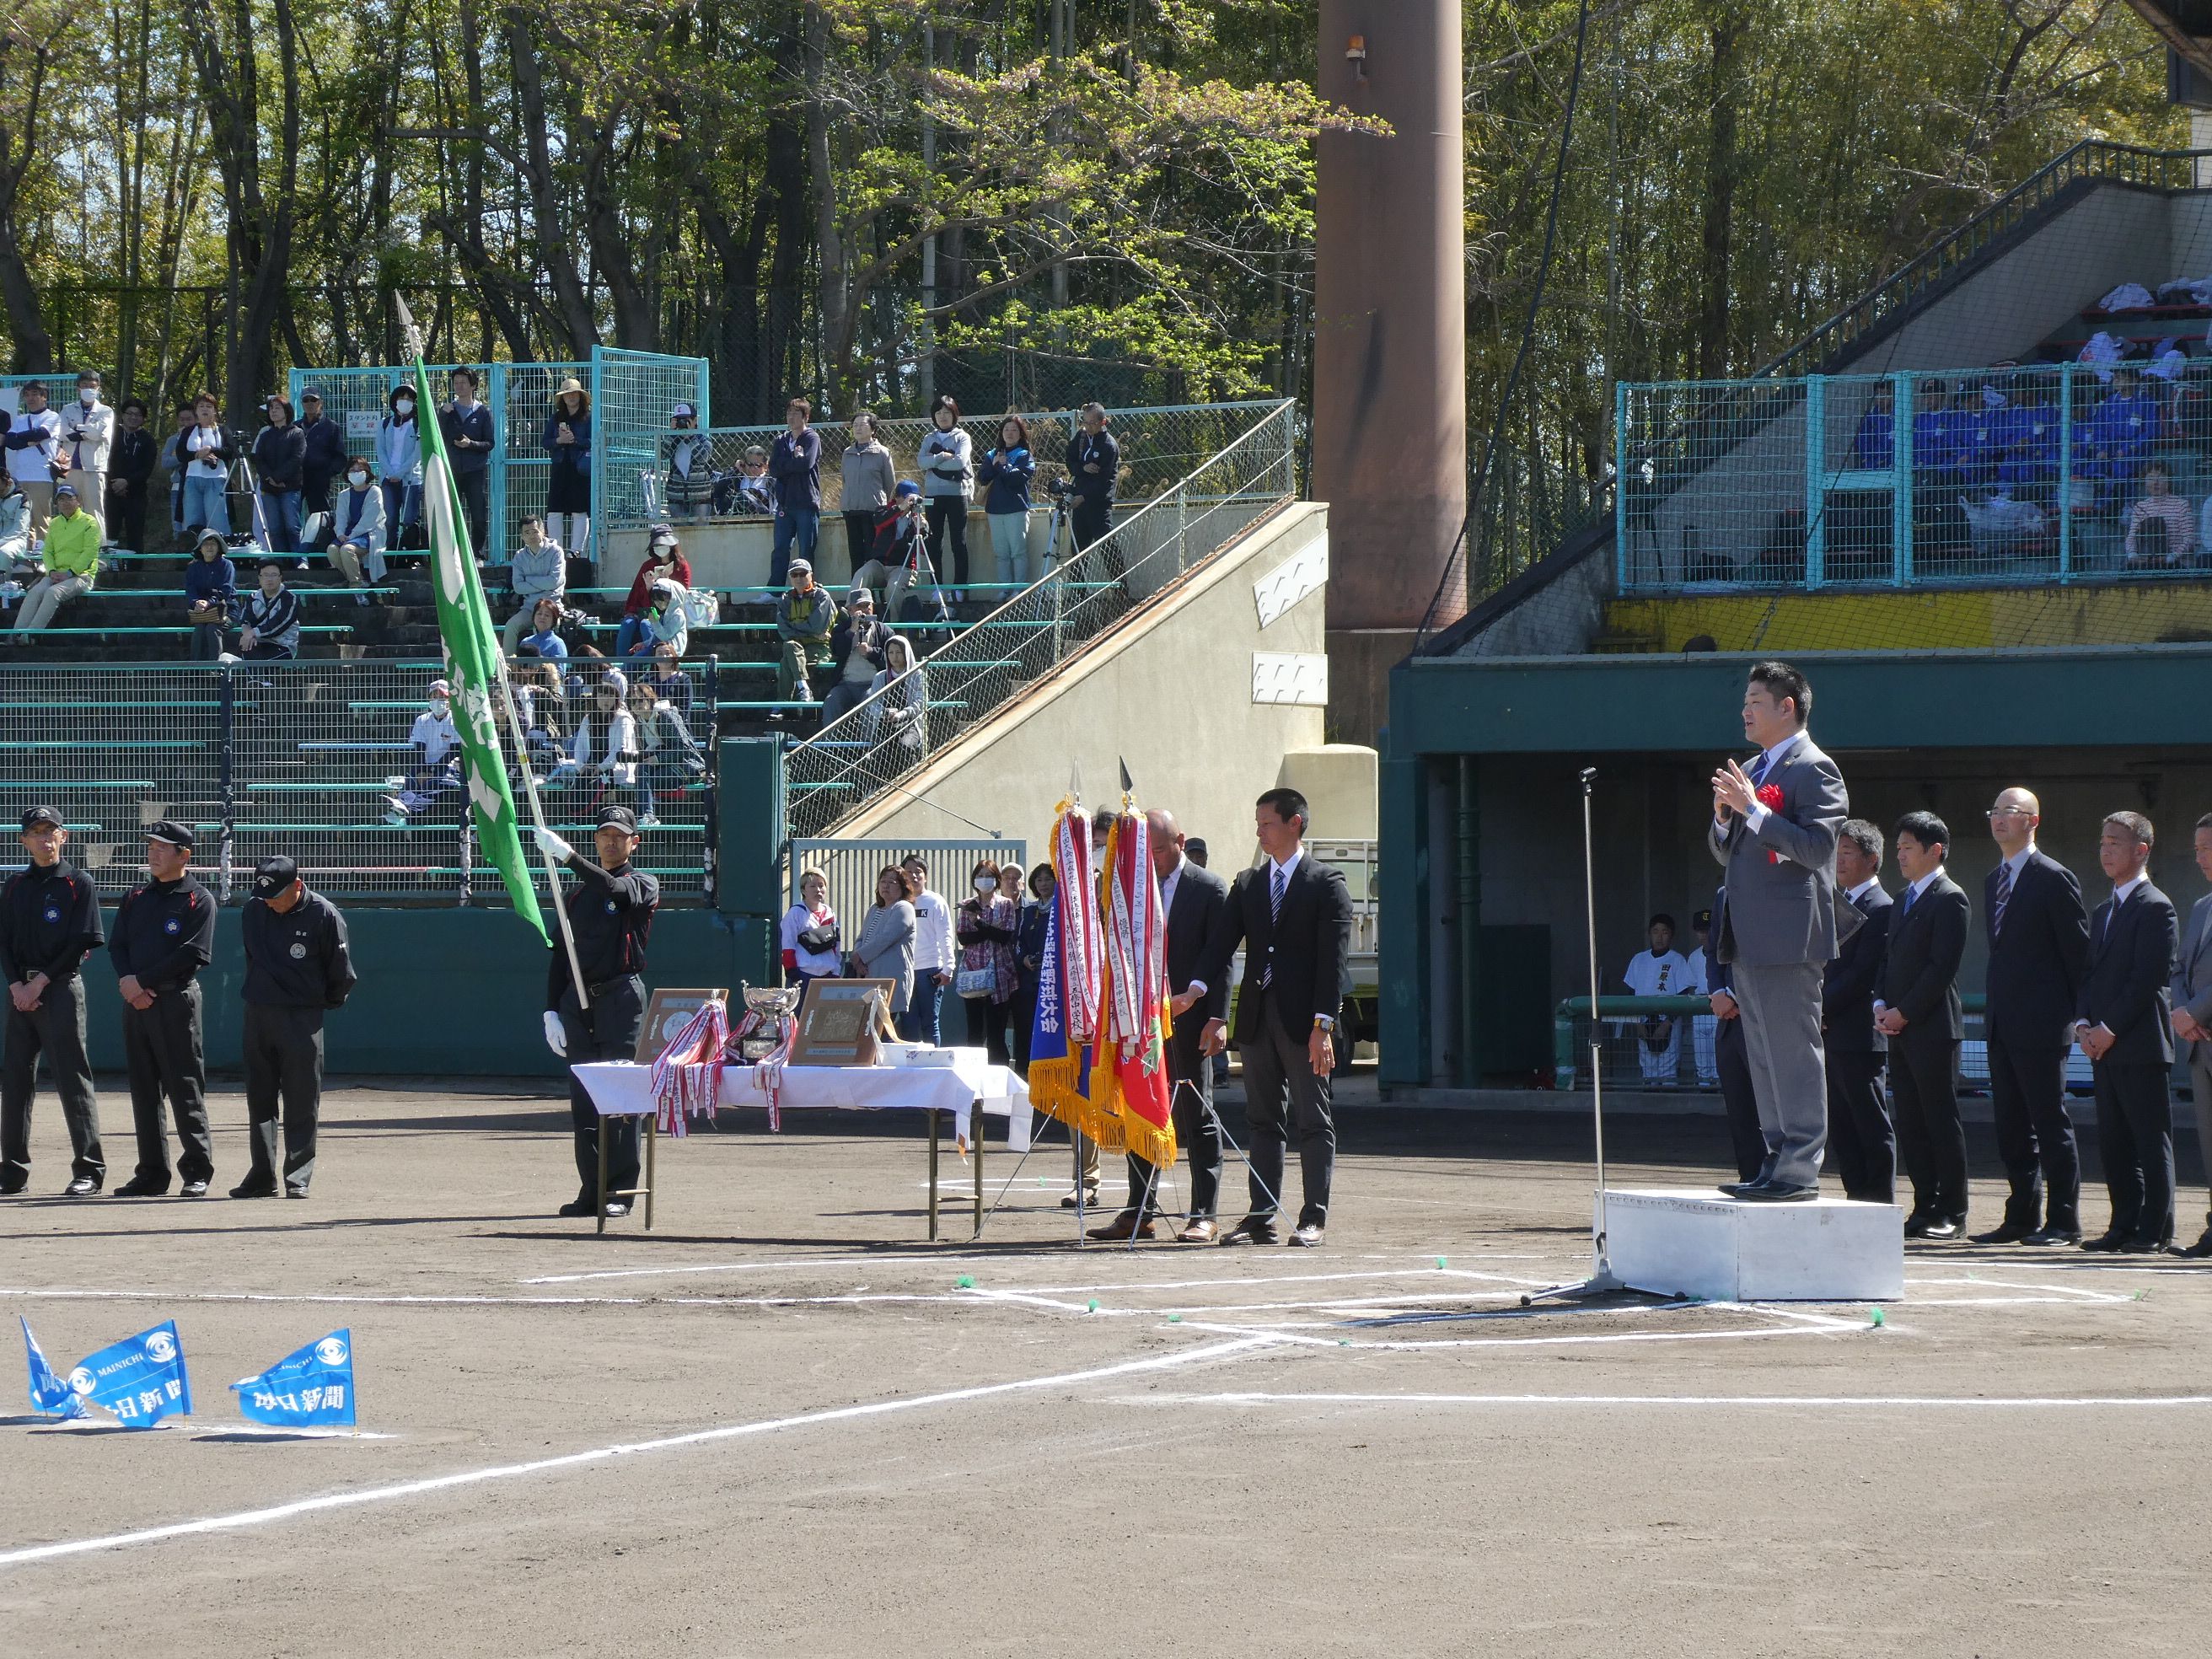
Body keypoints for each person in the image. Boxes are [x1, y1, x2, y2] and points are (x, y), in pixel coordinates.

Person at [1707, 660, 1850, 1203]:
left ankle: (1799, 1167)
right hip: (1748, 934)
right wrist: (1724, 816)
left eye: (1756, 701)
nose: (1745, 710)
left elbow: (1816, 849)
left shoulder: (1815, 768)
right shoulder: (1755, 769)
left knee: (1794, 1051)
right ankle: (1775, 1158)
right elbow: (1725, 851)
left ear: (1787, 706)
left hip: (1791, 936)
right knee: (1764, 1054)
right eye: (1745, 701)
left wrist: (1753, 811)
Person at [1194, 788, 1353, 1248]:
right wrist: (1196, 993)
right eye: (1258, 822)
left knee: (1312, 1120)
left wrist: (1323, 1026)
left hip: (1306, 1023)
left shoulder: (1326, 883)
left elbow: (1333, 963)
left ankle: (1313, 1217)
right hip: (1259, 1019)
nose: (1259, 831)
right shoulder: (1248, 883)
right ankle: (1261, 1216)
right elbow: (1219, 946)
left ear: (1295, 823)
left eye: (1267, 822)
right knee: (1262, 1120)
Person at [1095, 808, 1232, 1243]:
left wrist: (1215, 1014)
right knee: (1141, 1109)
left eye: (1157, 849)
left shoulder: (1209, 888)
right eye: (1144, 851)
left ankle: (1203, 1214)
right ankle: (1139, 1211)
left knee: (1198, 1114)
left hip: (1191, 1019)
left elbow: (1221, 956)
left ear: (1180, 841)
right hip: (1142, 1023)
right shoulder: (1132, 888)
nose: (1151, 859)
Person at [1979, 787, 2091, 1246]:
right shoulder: (1992, 881)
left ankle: (2064, 1219)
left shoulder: (2053, 877)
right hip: (2002, 1023)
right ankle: (2021, 1214)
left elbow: (2077, 955)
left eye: (2010, 812)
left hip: (2043, 1025)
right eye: (1995, 811)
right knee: (2010, 1125)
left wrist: (2070, 1017)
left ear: (2033, 821)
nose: (1999, 819)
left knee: (2049, 1122)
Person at [536, 808, 659, 1221]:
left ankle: (621, 1191)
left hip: (620, 999)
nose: (610, 841)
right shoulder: (573, 896)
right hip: (578, 1002)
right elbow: (560, 956)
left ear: (633, 842)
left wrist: (570, 858)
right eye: (604, 834)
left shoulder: (642, 882)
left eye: (619, 835)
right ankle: (592, 1188)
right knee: (584, 1100)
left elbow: (617, 893)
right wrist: (551, 1010)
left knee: (620, 1098)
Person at [2077, 812, 2180, 1253]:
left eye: (2115, 843)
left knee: (2149, 1139)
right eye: (2102, 841)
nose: (2105, 849)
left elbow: (2147, 979)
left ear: (2142, 851)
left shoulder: (2156, 906)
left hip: (2139, 1043)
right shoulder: (2102, 911)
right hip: (2103, 1045)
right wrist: (2083, 1024)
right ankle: (2122, 1225)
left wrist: (2108, 1027)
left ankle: (2155, 1229)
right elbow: (2089, 975)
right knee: (2115, 1141)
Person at [233, 856, 355, 1200]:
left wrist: (314, 1006)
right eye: (263, 895)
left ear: (298, 886)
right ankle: (261, 1175)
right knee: (259, 1099)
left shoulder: (324, 914)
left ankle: (297, 1176)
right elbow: (252, 958)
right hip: (258, 1014)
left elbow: (341, 973)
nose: (269, 901)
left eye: (276, 895)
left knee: (302, 1100)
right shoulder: (254, 910)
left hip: (302, 1018)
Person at [0, 806, 105, 1197]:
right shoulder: (14, 886)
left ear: (65, 837)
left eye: (51, 831)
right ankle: (12, 1171)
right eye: (36, 832)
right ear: (23, 840)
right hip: (20, 994)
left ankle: (89, 1171)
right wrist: (16, 986)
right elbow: (5, 942)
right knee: (14, 1082)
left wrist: (39, 983)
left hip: (58, 988)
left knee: (72, 1079)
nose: (44, 839)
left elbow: (82, 941)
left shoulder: (79, 882)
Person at [109, 821, 216, 1198]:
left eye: (163, 848)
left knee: (183, 1085)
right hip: (137, 1004)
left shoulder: (198, 898)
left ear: (184, 855)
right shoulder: (136, 895)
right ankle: (152, 1173)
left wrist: (142, 983)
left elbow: (192, 954)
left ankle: (197, 1170)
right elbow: (118, 945)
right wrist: (129, 983)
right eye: (151, 846)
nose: (153, 853)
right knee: (143, 1089)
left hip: (175, 1001)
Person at [1874, 811, 1969, 1236]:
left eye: (1908, 847)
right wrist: (1880, 1003)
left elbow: (1941, 968)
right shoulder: (1903, 899)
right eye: (1898, 848)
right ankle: (1924, 1203)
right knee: (1910, 1119)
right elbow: (1888, 961)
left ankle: (1952, 1210)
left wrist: (1904, 1010)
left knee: (1939, 1118)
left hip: (1932, 1028)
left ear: (1936, 850)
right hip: (1897, 1026)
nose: (1901, 855)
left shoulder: (1951, 898)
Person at [1823, 819, 1895, 1205]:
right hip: (1831, 1032)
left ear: (1872, 859)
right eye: (1837, 851)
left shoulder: (1882, 907)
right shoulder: (1835, 901)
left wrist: (1819, 1007)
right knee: (1842, 1123)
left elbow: (1862, 974)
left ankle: (1879, 1199)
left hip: (1860, 1034)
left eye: (1847, 852)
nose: (1839, 860)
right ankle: (1856, 1195)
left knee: (1869, 1120)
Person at [2168, 813, 2212, 1258]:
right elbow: (2180, 968)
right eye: (2197, 848)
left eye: (2206, 848)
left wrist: (2194, 1012)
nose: (2199, 857)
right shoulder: (2202, 907)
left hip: (2204, 1028)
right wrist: (2182, 1013)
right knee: (2209, 1140)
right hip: (2200, 1044)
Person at [1705, 890, 1769, 1184]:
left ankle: (1775, 1180)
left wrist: (1734, 994)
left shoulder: (1778, 885)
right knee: (1740, 1110)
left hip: (1767, 1017)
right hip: (1729, 1023)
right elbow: (1714, 949)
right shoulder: (1725, 894)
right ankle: (1750, 1179)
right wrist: (1718, 992)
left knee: (1770, 1110)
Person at [954, 856, 1021, 1064]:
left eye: (989, 876)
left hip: (1000, 975)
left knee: (996, 1033)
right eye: (980, 876)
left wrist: (980, 923)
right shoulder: (967, 905)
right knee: (974, 1032)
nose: (984, 880)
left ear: (996, 879)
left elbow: (1004, 937)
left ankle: (999, 1074)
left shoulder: (1005, 904)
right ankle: (973, 1078)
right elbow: (964, 937)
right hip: (973, 971)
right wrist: (989, 929)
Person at [13, 483, 99, 631]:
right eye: (61, 500)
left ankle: (31, 634)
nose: (65, 503)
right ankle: (16, 634)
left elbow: (89, 553)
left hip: (81, 576)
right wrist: (51, 571)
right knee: (34, 593)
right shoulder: (55, 523)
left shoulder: (89, 522)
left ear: (78, 500)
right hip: (55, 574)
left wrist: (70, 573)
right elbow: (47, 551)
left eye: (69, 499)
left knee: (53, 593)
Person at [1620, 913, 1689, 1087]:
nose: (1659, 937)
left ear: (1671, 935)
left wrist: (1666, 1024)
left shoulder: (1677, 960)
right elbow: (1630, 995)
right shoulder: (1639, 959)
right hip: (1644, 1022)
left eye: (1664, 932)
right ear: (1649, 933)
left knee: (1668, 1072)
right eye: (1655, 931)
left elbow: (1684, 995)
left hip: (1669, 1023)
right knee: (1648, 1071)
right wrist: (1637, 1024)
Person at [545, 674, 637, 798]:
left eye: (610, 695)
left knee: (594, 788)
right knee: (576, 790)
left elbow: (620, 750)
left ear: (616, 699)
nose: (606, 699)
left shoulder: (623, 719)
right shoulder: (588, 719)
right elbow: (579, 747)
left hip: (613, 770)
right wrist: (581, 767)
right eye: (602, 695)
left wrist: (600, 768)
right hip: (589, 768)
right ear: (595, 698)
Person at [384, 679, 464, 821]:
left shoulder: (456, 720)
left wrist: (431, 772)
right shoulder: (422, 720)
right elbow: (419, 749)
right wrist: (422, 771)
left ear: (450, 700)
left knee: (436, 782)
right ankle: (403, 808)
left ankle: (405, 808)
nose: (438, 701)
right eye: (434, 697)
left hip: (448, 765)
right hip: (426, 763)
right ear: (429, 699)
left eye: (443, 697)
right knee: (412, 778)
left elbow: (453, 750)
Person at [626, 680, 701, 826]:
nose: (637, 704)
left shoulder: (666, 716)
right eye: (633, 702)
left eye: (641, 700)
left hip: (686, 765)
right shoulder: (639, 724)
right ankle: (648, 816)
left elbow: (684, 748)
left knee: (644, 784)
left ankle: (648, 815)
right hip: (662, 768)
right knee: (641, 770)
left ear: (650, 699)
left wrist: (658, 759)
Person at [851, 480, 928, 620]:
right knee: (862, 574)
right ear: (897, 498)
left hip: (903, 567)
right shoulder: (883, 511)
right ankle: (851, 617)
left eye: (913, 499)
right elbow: (880, 522)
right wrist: (900, 509)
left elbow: (924, 551)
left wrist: (921, 529)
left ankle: (895, 626)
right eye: (906, 498)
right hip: (880, 565)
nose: (910, 503)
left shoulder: (917, 519)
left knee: (894, 588)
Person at [917, 395, 974, 585]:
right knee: (934, 542)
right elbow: (921, 462)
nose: (942, 416)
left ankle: (960, 588)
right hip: (933, 496)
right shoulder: (929, 438)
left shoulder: (962, 437)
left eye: (947, 412)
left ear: (954, 414)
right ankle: (936, 587)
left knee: (959, 542)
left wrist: (933, 463)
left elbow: (960, 462)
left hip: (958, 495)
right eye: (938, 413)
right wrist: (941, 456)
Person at [899, 852, 954, 1045]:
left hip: (930, 970)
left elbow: (946, 935)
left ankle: (932, 1066)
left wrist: (948, 967)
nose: (914, 876)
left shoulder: (935, 901)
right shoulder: (899, 903)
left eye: (918, 872)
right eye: (908, 872)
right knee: (908, 1023)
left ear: (926, 876)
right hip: (904, 971)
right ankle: (910, 1069)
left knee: (930, 1023)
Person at [439, 367, 495, 556]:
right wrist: (443, 415)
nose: (459, 386)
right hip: (451, 470)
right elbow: (438, 436)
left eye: (463, 382)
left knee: (478, 516)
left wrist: (470, 444)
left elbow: (489, 443)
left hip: (475, 472)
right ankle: (450, 553)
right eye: (456, 383)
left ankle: (476, 552)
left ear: (473, 385)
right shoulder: (447, 410)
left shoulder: (482, 412)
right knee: (450, 514)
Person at [1066, 401, 1124, 583]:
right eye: (1085, 422)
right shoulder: (1081, 438)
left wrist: (1084, 497)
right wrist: (1083, 468)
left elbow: (1105, 481)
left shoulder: (1109, 445)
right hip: (1079, 504)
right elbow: (1070, 462)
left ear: (1102, 422)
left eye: (1092, 423)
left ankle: (1121, 591)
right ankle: (1077, 595)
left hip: (1098, 506)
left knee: (1108, 549)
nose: (1088, 427)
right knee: (1078, 552)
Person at [851, 865, 918, 1022]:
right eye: (883, 881)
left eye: (892, 882)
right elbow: (861, 938)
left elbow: (885, 939)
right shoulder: (875, 909)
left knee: (885, 1028)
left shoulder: (903, 908)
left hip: (890, 978)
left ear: (902, 886)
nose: (886, 886)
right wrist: (858, 961)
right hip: (868, 976)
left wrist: (859, 956)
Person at [976, 414, 1037, 585]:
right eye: (1006, 429)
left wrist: (1002, 466)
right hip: (995, 509)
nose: (1010, 433)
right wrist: (996, 465)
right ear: (1001, 432)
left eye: (1014, 430)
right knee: (1001, 553)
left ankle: (1019, 589)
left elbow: (1017, 478)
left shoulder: (1024, 455)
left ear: (1021, 433)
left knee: (1018, 552)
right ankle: (1004, 588)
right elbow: (983, 477)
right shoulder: (992, 454)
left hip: (1016, 508)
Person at [769, 396, 823, 585]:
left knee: (806, 550)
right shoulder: (781, 440)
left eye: (796, 413)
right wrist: (793, 461)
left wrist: (787, 464)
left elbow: (806, 464)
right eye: (789, 413)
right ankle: (773, 590)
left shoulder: (811, 437)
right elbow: (773, 469)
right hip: (785, 503)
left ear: (806, 416)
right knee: (780, 549)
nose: (791, 417)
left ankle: (807, 588)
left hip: (806, 503)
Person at [617, 524, 692, 655]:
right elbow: (636, 596)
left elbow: (682, 595)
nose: (659, 548)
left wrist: (667, 584)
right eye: (656, 546)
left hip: (671, 615)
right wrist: (648, 589)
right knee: (627, 625)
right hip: (648, 609)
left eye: (662, 545)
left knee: (646, 625)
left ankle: (651, 660)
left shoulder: (682, 566)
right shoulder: (647, 566)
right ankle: (621, 662)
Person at [1010, 862, 1055, 1076]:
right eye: (1039, 879)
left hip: (1052, 982)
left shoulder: (1062, 909)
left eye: (1048, 879)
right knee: (1025, 1029)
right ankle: (1022, 1075)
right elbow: (1018, 943)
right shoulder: (1029, 911)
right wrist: (1024, 958)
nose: (1043, 884)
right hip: (1027, 980)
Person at [251, 394, 309, 561]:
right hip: (268, 489)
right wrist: (270, 477)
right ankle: (280, 563)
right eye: (271, 409)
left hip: (289, 487)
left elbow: (297, 458)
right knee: (274, 528)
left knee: (292, 526)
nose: (273, 411)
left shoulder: (297, 433)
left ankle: (300, 561)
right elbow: (259, 460)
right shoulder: (265, 435)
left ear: (287, 411)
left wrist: (278, 477)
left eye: (278, 408)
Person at [821, 586, 888, 727]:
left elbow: (892, 659)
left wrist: (871, 652)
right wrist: (852, 630)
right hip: (846, 684)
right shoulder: (841, 629)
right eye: (859, 606)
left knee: (871, 702)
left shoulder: (883, 631)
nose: (864, 609)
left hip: (872, 684)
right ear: (850, 609)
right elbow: (836, 650)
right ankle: (829, 746)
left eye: (867, 605)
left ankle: (869, 746)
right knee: (831, 702)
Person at [543, 378, 593, 565]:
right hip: (559, 467)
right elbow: (545, 442)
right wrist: (559, 441)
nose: (571, 397)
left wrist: (575, 440)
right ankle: (556, 550)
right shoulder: (555, 419)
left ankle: (576, 551)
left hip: (580, 469)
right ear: (562, 398)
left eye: (574, 393)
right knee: (554, 510)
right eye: (567, 394)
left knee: (580, 511)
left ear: (580, 396)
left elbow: (593, 441)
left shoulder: (589, 418)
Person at [5, 380, 65, 535]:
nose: (30, 398)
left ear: (44, 397)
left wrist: (20, 439)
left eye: (35, 394)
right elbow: (10, 442)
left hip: (41, 475)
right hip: (20, 476)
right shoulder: (20, 419)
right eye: (27, 395)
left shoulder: (52, 416)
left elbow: (41, 434)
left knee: (42, 521)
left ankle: (43, 558)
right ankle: (26, 559)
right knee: (23, 523)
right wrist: (28, 442)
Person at [840, 411, 895, 577]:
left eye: (862, 425)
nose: (858, 428)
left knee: (873, 554)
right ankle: (856, 596)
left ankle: (874, 594)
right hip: (851, 509)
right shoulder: (847, 453)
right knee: (855, 553)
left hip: (874, 511)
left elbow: (890, 483)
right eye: (855, 425)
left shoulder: (882, 453)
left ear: (872, 429)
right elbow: (844, 479)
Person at [775, 558, 836, 706]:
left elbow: (817, 627)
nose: (799, 578)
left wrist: (795, 627)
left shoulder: (822, 596)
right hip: (797, 646)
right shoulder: (785, 598)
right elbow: (783, 630)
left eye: (802, 573)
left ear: (811, 575)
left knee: (786, 660)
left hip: (820, 648)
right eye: (794, 575)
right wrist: (809, 631)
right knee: (791, 646)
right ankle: (804, 689)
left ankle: (782, 703)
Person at [61, 370, 113, 539]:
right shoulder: (68, 409)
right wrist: (87, 431)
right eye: (85, 386)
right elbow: (60, 432)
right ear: (78, 388)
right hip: (69, 468)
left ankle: (99, 552)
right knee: (69, 509)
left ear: (98, 388)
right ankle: (68, 549)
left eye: (92, 386)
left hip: (93, 467)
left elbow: (100, 433)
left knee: (94, 510)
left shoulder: (106, 411)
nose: (88, 389)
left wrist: (77, 430)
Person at [501, 515, 566, 653]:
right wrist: (544, 582)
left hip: (551, 606)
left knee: (550, 627)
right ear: (522, 537)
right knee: (511, 626)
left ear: (543, 531)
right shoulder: (519, 557)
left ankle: (553, 669)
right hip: (530, 608)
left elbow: (555, 581)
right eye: (527, 533)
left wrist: (529, 579)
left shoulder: (556, 552)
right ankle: (509, 669)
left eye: (535, 531)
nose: (532, 536)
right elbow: (518, 587)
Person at [327, 456, 388, 599]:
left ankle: (356, 588)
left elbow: (370, 519)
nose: (356, 473)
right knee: (332, 550)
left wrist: (351, 536)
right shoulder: (344, 495)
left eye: (360, 470)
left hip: (369, 533)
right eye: (352, 470)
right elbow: (341, 517)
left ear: (367, 472)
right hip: (349, 534)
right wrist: (340, 533)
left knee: (347, 550)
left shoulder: (375, 491)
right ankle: (359, 580)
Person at [177, 391, 234, 540]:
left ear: (215, 411)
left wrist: (211, 450)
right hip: (192, 480)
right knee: (193, 522)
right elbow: (181, 454)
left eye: (209, 406)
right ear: (195, 410)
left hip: (216, 480)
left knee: (217, 521)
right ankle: (194, 557)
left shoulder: (223, 430)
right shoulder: (189, 431)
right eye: (201, 406)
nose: (205, 409)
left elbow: (231, 451)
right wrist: (197, 455)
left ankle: (221, 555)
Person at [375, 382, 424, 551]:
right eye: (402, 398)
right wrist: (390, 472)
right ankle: (391, 554)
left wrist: (401, 472)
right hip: (388, 478)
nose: (405, 402)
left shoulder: (418, 424)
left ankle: (410, 554)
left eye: (409, 399)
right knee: (390, 519)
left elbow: (417, 455)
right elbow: (380, 451)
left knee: (410, 518)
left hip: (411, 478)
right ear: (394, 401)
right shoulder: (384, 423)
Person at [106, 398, 156, 553]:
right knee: (109, 531)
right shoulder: (110, 435)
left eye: (138, 415)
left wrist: (127, 482)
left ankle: (134, 569)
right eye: (130, 413)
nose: (133, 417)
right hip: (110, 491)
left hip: (136, 493)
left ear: (143, 418)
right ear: (122, 415)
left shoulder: (148, 440)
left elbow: (147, 469)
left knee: (135, 533)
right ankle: (107, 566)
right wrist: (114, 483)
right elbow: (103, 460)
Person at [296, 387, 345, 542]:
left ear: (321, 403)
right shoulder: (295, 426)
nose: (310, 403)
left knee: (320, 517)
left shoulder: (331, 427)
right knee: (292, 517)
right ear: (301, 404)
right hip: (296, 479)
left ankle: (321, 556)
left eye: (314, 400)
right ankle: (295, 554)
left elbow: (340, 456)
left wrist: (327, 472)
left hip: (319, 480)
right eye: (306, 400)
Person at [2123, 460, 2193, 568]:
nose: (2155, 482)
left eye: (2160, 477)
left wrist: (2171, 557)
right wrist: (2133, 555)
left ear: (2169, 481)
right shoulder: (2140, 507)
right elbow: (2131, 536)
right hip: (2146, 560)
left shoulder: (2181, 504)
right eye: (2150, 478)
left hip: (2173, 562)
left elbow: (2189, 538)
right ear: (2145, 481)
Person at [781, 867, 841, 990]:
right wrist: (792, 973)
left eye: (821, 885)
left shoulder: (830, 914)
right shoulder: (796, 913)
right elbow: (788, 945)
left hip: (827, 976)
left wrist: (836, 971)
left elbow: (836, 946)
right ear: (803, 890)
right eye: (813, 886)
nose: (818, 890)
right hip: (803, 975)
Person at [184, 528, 237, 659]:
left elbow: (226, 590)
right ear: (200, 548)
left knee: (212, 628)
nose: (209, 547)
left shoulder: (227, 565)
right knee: (200, 629)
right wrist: (196, 602)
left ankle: (216, 669)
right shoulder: (193, 567)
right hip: (202, 612)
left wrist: (209, 602)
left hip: (227, 610)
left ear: (219, 547)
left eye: (213, 543)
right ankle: (195, 669)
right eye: (206, 544)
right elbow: (190, 589)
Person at [868, 634, 927, 754]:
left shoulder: (917, 674)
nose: (894, 657)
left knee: (905, 746)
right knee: (877, 753)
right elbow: (873, 704)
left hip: (910, 724)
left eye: (898, 652)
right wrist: (884, 714)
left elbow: (920, 702)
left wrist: (901, 714)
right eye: (891, 653)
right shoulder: (880, 677)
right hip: (885, 724)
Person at [236, 561, 302, 660]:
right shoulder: (252, 597)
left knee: (258, 665)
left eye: (274, 575)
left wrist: (252, 633)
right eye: (265, 575)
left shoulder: (290, 598)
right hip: (257, 642)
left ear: (280, 578)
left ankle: (254, 675)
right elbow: (246, 620)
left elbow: (278, 624)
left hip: (283, 645)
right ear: (259, 578)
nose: (269, 579)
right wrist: (247, 635)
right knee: (248, 650)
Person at [1683, 908, 1719, 1088]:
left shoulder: (1723, 953)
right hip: (1700, 1010)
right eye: (1701, 930)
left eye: (1707, 930)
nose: (1704, 934)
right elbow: (1690, 986)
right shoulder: (1694, 956)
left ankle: (1721, 1090)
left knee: (1718, 1058)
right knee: (1702, 1060)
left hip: (1719, 1010)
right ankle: (1705, 1090)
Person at [662, 402, 713, 524]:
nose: (682, 423)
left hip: (700, 496)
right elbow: (662, 455)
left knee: (700, 532)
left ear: (695, 420)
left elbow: (703, 458)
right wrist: (671, 434)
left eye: (686, 420)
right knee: (680, 534)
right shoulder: (671, 440)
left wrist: (690, 437)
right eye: (679, 420)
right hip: (676, 495)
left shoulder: (704, 440)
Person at [159, 404, 195, 549]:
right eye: (182, 419)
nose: (185, 423)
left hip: (194, 486)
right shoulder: (172, 440)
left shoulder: (200, 438)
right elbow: (166, 462)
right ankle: (180, 560)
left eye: (189, 419)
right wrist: (184, 455)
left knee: (193, 523)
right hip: (177, 486)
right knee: (178, 525)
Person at [647, 643, 695, 719]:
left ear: (674, 657)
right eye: (660, 654)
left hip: (675, 726)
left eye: (668, 653)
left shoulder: (684, 679)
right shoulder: (647, 679)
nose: (664, 656)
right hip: (651, 727)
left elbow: (685, 709)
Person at [518, 597, 571, 665]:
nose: (542, 617)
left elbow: (559, 673)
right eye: (539, 614)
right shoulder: (525, 642)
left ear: (554, 621)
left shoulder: (557, 643)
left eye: (547, 615)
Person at [733, 444, 774, 515]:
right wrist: (735, 470)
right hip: (738, 516)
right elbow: (719, 490)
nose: (752, 468)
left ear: (765, 465)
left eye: (757, 465)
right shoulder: (737, 479)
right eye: (749, 464)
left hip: (762, 517)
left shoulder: (770, 481)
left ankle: (764, 514)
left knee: (743, 494)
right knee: (742, 495)